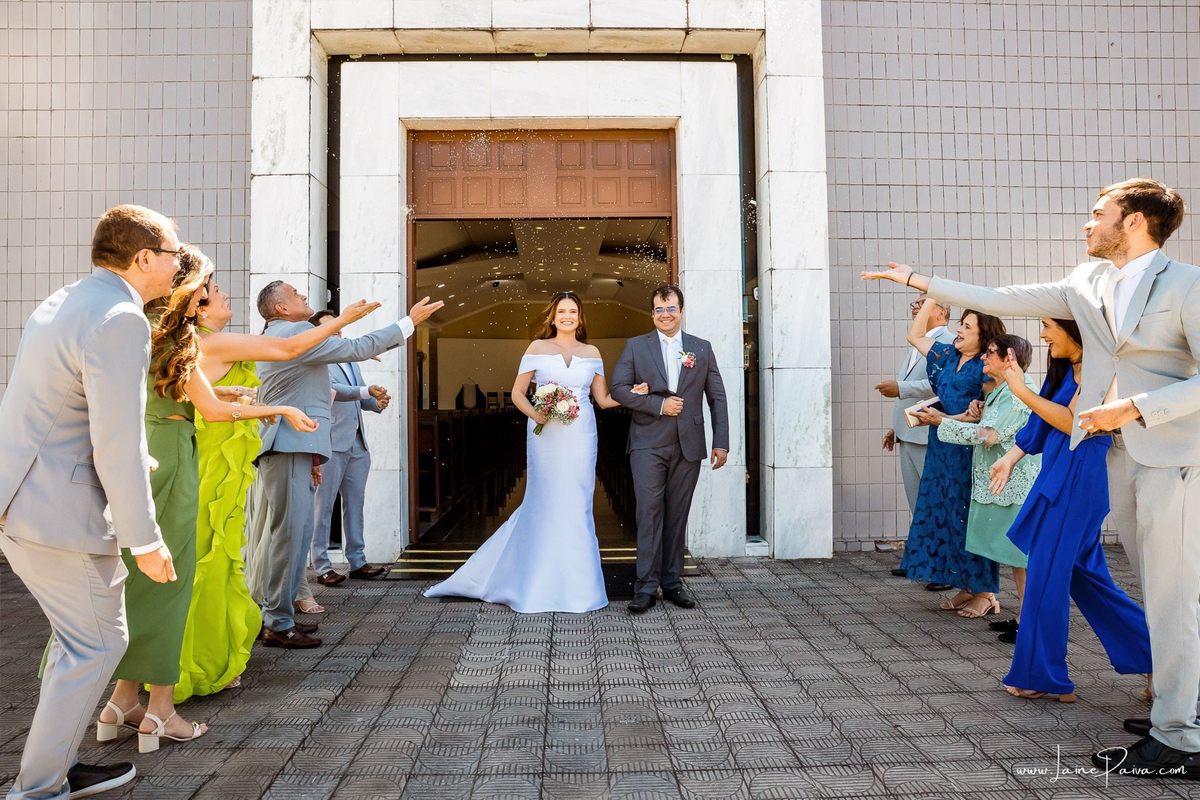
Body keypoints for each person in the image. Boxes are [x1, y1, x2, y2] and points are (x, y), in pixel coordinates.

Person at [862, 178, 1199, 779]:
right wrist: (918, 281)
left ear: (1135, 222)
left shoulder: (1188, 285)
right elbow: (999, 295)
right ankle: (1176, 714)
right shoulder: (1087, 282)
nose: (1087, 223)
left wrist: (1139, 407)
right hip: (1109, 452)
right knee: (1158, 594)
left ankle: (1179, 737)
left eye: (1100, 214)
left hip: (1170, 455)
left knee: (1175, 599)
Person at [100, 247, 368, 752]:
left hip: (142, 456)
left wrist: (266, 404)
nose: (220, 293)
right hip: (176, 459)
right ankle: (159, 711)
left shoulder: (144, 336)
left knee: (139, 580)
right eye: (213, 287)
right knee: (172, 584)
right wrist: (342, 324)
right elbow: (222, 405)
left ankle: (121, 700)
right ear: (192, 298)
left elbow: (208, 401)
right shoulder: (183, 344)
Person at [0, 205, 178, 799]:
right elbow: (117, 438)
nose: (180, 264)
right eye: (174, 253)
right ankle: (39, 787)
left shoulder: (64, 301)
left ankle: (52, 766)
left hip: (23, 500)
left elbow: (61, 408)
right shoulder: (121, 317)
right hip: (61, 511)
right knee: (97, 643)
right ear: (144, 257)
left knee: (79, 641)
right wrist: (145, 540)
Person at [424, 292, 640, 613]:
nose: (567, 316)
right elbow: (517, 393)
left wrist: (633, 394)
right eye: (561, 311)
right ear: (552, 317)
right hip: (546, 436)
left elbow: (603, 399)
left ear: (580, 318)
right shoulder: (537, 348)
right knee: (545, 500)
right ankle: (534, 581)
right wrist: (538, 414)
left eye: (573, 311)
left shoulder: (591, 352)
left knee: (578, 504)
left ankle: (579, 588)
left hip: (581, 436)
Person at [253, 281, 442, 647]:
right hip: (288, 445)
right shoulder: (294, 332)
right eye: (297, 295)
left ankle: (283, 615)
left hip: (298, 446)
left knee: (295, 537)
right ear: (280, 308)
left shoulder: (287, 334)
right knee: (288, 538)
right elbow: (356, 348)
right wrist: (409, 322)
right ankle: (276, 623)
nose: (305, 298)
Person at [988, 319, 1152, 703]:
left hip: (1081, 479)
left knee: (1046, 575)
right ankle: (1166, 659)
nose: (1043, 335)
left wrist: (1017, 389)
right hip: (1061, 475)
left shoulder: (1102, 368)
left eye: (1048, 327)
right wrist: (1011, 458)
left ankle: (1042, 677)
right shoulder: (1065, 368)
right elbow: (1043, 422)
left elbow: (1074, 425)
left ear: (1076, 329)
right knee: (1087, 579)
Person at [610, 284, 730, 614]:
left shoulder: (701, 349)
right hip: (648, 443)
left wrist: (721, 441)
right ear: (652, 314)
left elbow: (716, 397)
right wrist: (658, 405)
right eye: (660, 310)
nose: (666, 314)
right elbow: (618, 389)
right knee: (649, 513)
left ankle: (673, 582)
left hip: (688, 445)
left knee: (677, 516)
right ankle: (646, 586)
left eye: (672, 308)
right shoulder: (636, 347)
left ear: (681, 310)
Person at [896, 298, 1006, 610]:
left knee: (970, 517)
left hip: (970, 450)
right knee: (945, 514)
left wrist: (945, 419)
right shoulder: (946, 355)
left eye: (967, 327)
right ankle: (966, 585)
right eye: (961, 323)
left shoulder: (986, 366)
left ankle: (986, 593)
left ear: (983, 337)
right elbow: (915, 337)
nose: (959, 330)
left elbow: (986, 412)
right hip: (941, 445)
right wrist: (930, 296)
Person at [935, 334, 1039, 621]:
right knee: (1019, 557)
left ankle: (1029, 621)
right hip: (1004, 483)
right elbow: (994, 427)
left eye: (991, 352)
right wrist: (975, 416)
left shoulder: (1018, 391)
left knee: (1023, 557)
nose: (983, 356)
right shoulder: (1001, 390)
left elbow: (991, 436)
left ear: (1010, 359)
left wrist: (941, 423)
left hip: (1016, 483)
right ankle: (1027, 618)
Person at [308, 309, 391, 587]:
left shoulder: (350, 359)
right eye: (333, 329)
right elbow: (336, 391)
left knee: (355, 504)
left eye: (340, 328)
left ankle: (357, 560)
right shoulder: (317, 359)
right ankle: (321, 566)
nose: (339, 332)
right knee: (323, 507)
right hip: (330, 443)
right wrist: (367, 392)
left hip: (357, 442)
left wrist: (375, 403)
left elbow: (358, 394)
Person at [875, 294, 955, 580]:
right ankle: (922, 561)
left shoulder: (947, 340)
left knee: (935, 502)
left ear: (942, 312)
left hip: (928, 434)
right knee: (917, 502)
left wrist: (901, 388)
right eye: (915, 304)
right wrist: (896, 428)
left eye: (923, 304)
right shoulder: (917, 341)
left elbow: (939, 386)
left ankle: (943, 570)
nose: (915, 307)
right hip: (908, 433)